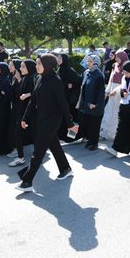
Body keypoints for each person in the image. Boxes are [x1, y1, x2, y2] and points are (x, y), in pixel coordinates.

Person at [17, 54, 77, 192]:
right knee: (54, 145)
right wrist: (24, 118)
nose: (37, 66)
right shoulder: (39, 78)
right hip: (42, 118)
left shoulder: (55, 81)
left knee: (38, 150)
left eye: (39, 63)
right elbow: (33, 101)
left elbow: (63, 104)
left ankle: (27, 181)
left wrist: (70, 123)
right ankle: (65, 168)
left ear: (48, 65)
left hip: (53, 120)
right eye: (37, 63)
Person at [8, 59, 37, 166]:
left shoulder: (35, 78)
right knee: (18, 133)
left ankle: (36, 155)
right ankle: (20, 157)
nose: (20, 69)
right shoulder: (25, 78)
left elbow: (39, 91)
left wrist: (28, 94)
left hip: (31, 112)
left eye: (23, 66)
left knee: (35, 135)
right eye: (20, 66)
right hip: (23, 111)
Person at [75, 55, 106, 150]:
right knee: (87, 122)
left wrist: (94, 104)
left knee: (94, 124)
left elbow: (100, 92)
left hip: (95, 104)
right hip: (86, 103)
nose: (88, 63)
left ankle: (94, 143)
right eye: (87, 61)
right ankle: (88, 139)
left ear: (96, 63)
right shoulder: (86, 72)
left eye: (90, 61)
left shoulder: (99, 75)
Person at [100, 50, 129, 140]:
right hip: (112, 91)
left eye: (118, 57)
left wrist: (117, 91)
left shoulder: (127, 67)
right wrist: (107, 91)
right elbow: (111, 79)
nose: (116, 59)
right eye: (116, 57)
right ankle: (106, 132)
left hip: (120, 92)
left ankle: (116, 133)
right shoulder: (115, 65)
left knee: (117, 113)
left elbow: (126, 83)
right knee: (108, 111)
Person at [57, 53, 82, 142]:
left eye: (60, 58)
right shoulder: (60, 69)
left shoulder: (69, 70)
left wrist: (72, 84)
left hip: (70, 100)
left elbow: (79, 81)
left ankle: (72, 137)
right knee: (63, 119)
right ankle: (63, 136)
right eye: (58, 58)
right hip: (62, 99)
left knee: (71, 119)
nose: (58, 59)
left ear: (64, 60)